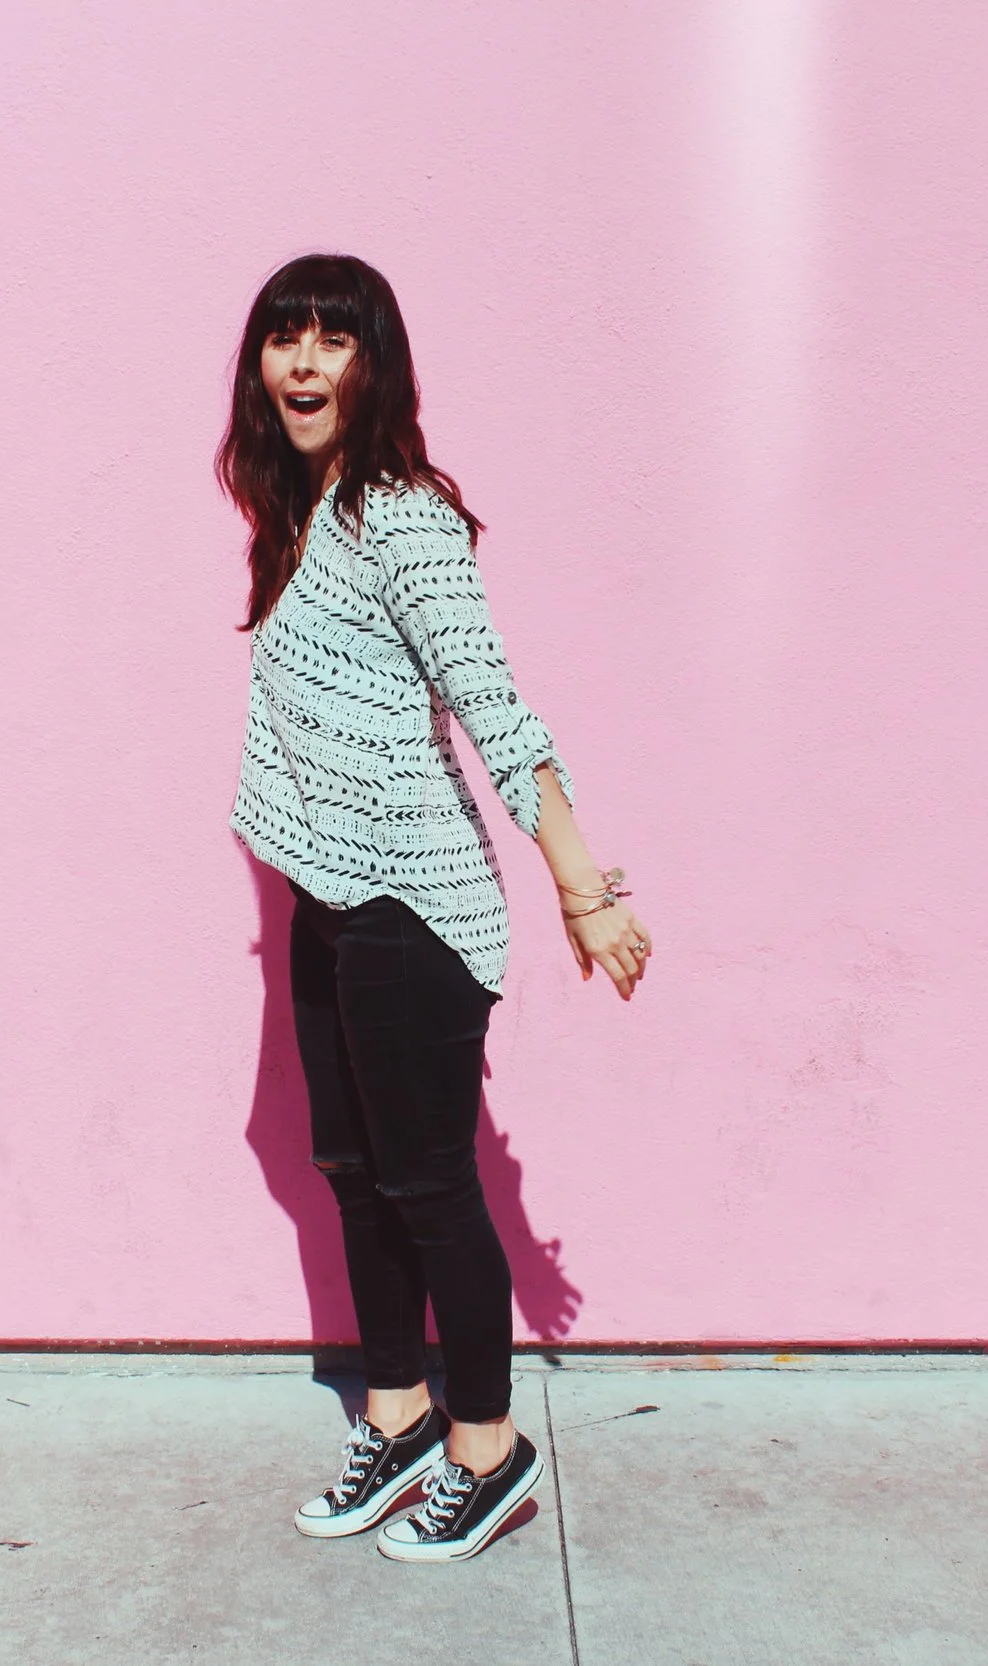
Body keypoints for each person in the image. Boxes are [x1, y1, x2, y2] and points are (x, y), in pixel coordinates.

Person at [219, 253, 654, 1564]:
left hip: (414, 907)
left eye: (332, 340)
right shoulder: (299, 513)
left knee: (427, 1184)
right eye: (284, 338)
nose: (303, 363)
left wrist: (581, 886)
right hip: (330, 898)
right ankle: (400, 1417)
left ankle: (486, 1446)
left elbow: (492, 704)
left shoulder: (400, 518)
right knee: (352, 1175)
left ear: (376, 364)